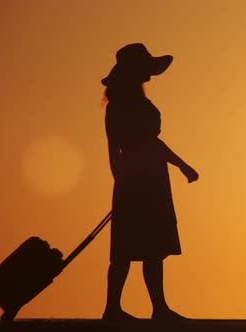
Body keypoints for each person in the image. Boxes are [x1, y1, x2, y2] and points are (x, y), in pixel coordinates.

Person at [100, 43, 198, 321]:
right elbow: (119, 147)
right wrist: (124, 181)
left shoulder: (130, 103)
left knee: (149, 248)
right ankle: (116, 309)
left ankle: (156, 308)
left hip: (146, 179)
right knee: (131, 250)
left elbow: (147, 144)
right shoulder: (122, 105)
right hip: (139, 181)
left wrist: (181, 165)